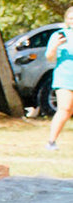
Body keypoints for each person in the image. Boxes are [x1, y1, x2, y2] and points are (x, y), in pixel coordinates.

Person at [47, 7, 73, 150]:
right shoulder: (59, 35)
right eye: (71, 18)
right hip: (65, 76)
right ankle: (51, 141)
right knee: (65, 108)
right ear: (66, 20)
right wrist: (56, 46)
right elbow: (49, 57)